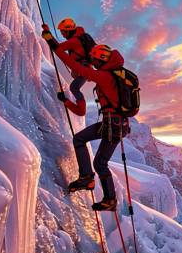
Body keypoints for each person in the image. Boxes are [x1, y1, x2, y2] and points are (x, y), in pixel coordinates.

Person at [42, 36, 129, 211]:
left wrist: (52, 42)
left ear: (103, 59)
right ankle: (106, 196)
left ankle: (88, 179)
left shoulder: (105, 76)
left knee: (81, 141)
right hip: (118, 125)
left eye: (96, 60)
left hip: (112, 125)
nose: (94, 63)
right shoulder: (118, 74)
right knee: (99, 162)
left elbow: (76, 67)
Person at [41, 17, 95, 116]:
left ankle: (80, 110)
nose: (62, 34)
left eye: (63, 32)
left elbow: (58, 48)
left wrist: (48, 34)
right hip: (86, 68)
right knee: (74, 87)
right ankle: (78, 108)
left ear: (69, 31)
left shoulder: (74, 41)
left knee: (74, 87)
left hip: (83, 70)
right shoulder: (81, 37)